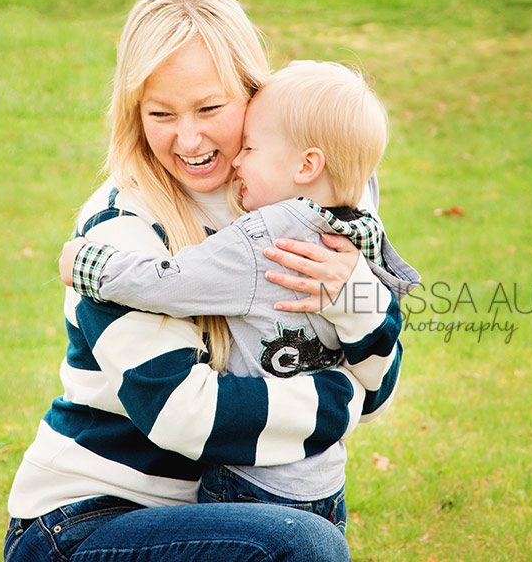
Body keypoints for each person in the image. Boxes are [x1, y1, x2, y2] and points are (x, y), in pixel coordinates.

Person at [5, 0, 408, 561]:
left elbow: (383, 380)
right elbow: (179, 414)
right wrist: (338, 399)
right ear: (134, 114)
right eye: (160, 114)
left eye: (210, 108)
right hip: (85, 524)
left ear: (252, 92)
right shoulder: (121, 225)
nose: (187, 138)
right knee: (303, 546)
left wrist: (352, 296)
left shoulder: (304, 195)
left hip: (215, 510)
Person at [58, 61, 420, 535]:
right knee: (308, 543)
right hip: (307, 485)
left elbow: (172, 283)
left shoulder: (276, 235)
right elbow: (375, 367)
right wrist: (347, 387)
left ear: (307, 165)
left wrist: (91, 267)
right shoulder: (349, 227)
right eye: (162, 114)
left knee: (303, 543)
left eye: (248, 146)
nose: (237, 161)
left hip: (268, 482)